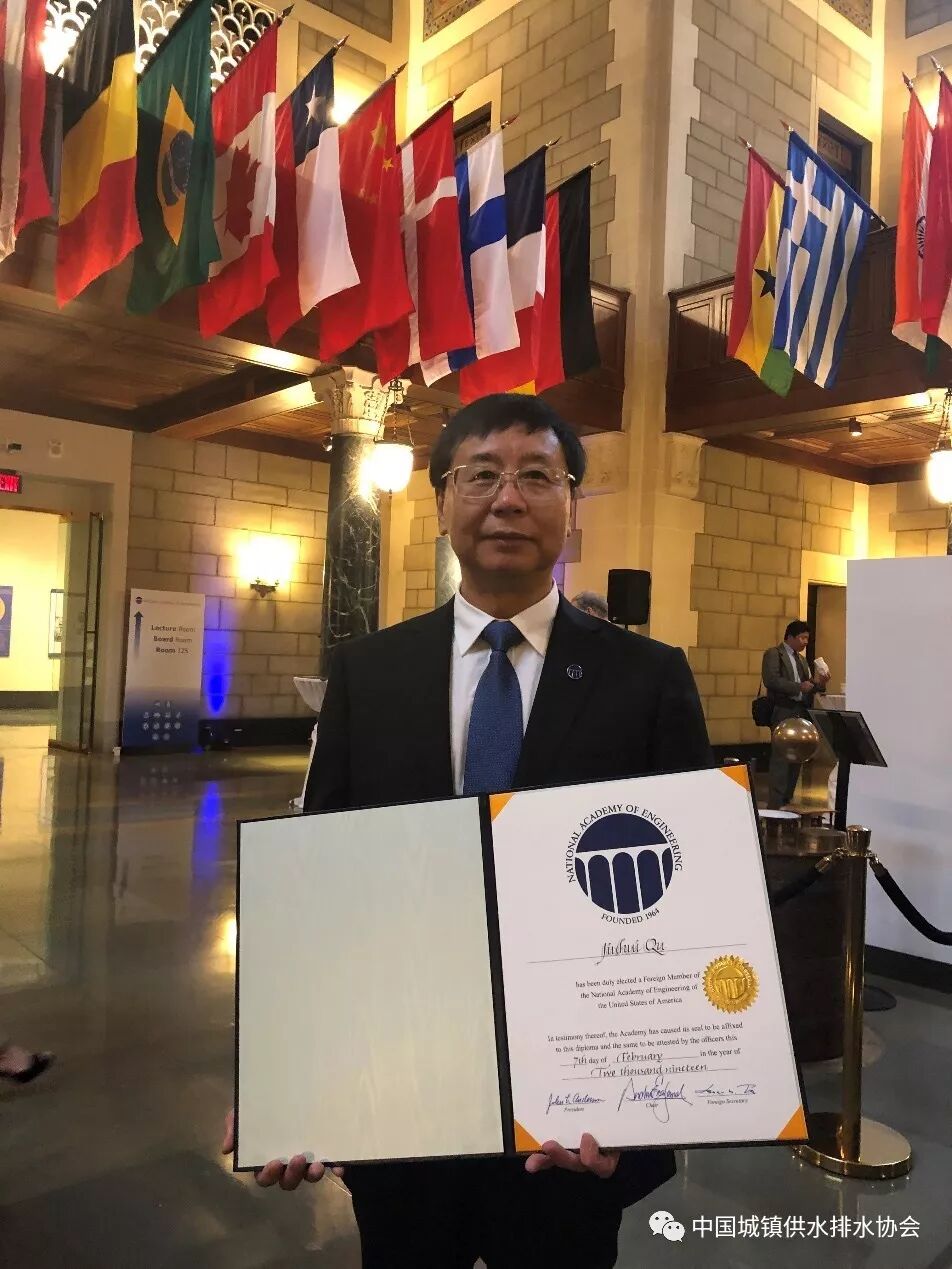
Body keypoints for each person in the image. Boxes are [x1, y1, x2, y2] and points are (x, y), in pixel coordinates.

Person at [223, 393, 712, 1268]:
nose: (508, 498)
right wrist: (288, 1075)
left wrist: (643, 1112)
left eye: (537, 475)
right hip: (402, 1096)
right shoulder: (369, 672)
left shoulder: (648, 678)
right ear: (444, 499)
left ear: (571, 502)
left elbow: (685, 903)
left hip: (575, 1116)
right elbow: (322, 880)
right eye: (481, 474)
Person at [761, 619, 830, 809]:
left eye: (807, 638)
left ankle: (787, 799)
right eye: (802, 638)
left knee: (798, 755)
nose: (805, 642)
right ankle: (775, 803)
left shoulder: (802, 659)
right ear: (790, 637)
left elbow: (808, 685)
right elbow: (771, 680)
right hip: (783, 709)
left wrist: (820, 683)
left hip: (800, 711)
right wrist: (798, 687)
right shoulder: (774, 654)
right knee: (781, 756)